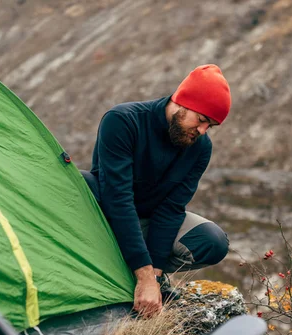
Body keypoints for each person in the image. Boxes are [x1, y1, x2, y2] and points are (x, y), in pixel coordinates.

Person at [81, 64, 231, 317]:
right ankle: (109, 265)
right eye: (202, 120)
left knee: (212, 241)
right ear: (182, 102)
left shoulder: (201, 147)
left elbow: (171, 209)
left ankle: (139, 275)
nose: (203, 131)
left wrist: (155, 276)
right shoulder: (123, 120)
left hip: (147, 221)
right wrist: (144, 275)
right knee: (76, 183)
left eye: (210, 126)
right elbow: (117, 197)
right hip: (106, 213)